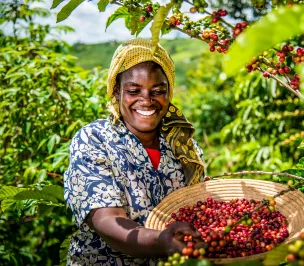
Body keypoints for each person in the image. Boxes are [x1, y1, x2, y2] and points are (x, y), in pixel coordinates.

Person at [64, 38, 205, 266]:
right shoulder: (94, 139)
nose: (147, 101)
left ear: (169, 93)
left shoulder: (185, 148)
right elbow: (108, 221)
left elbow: (200, 212)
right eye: (134, 91)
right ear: (117, 91)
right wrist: (161, 241)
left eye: (157, 91)